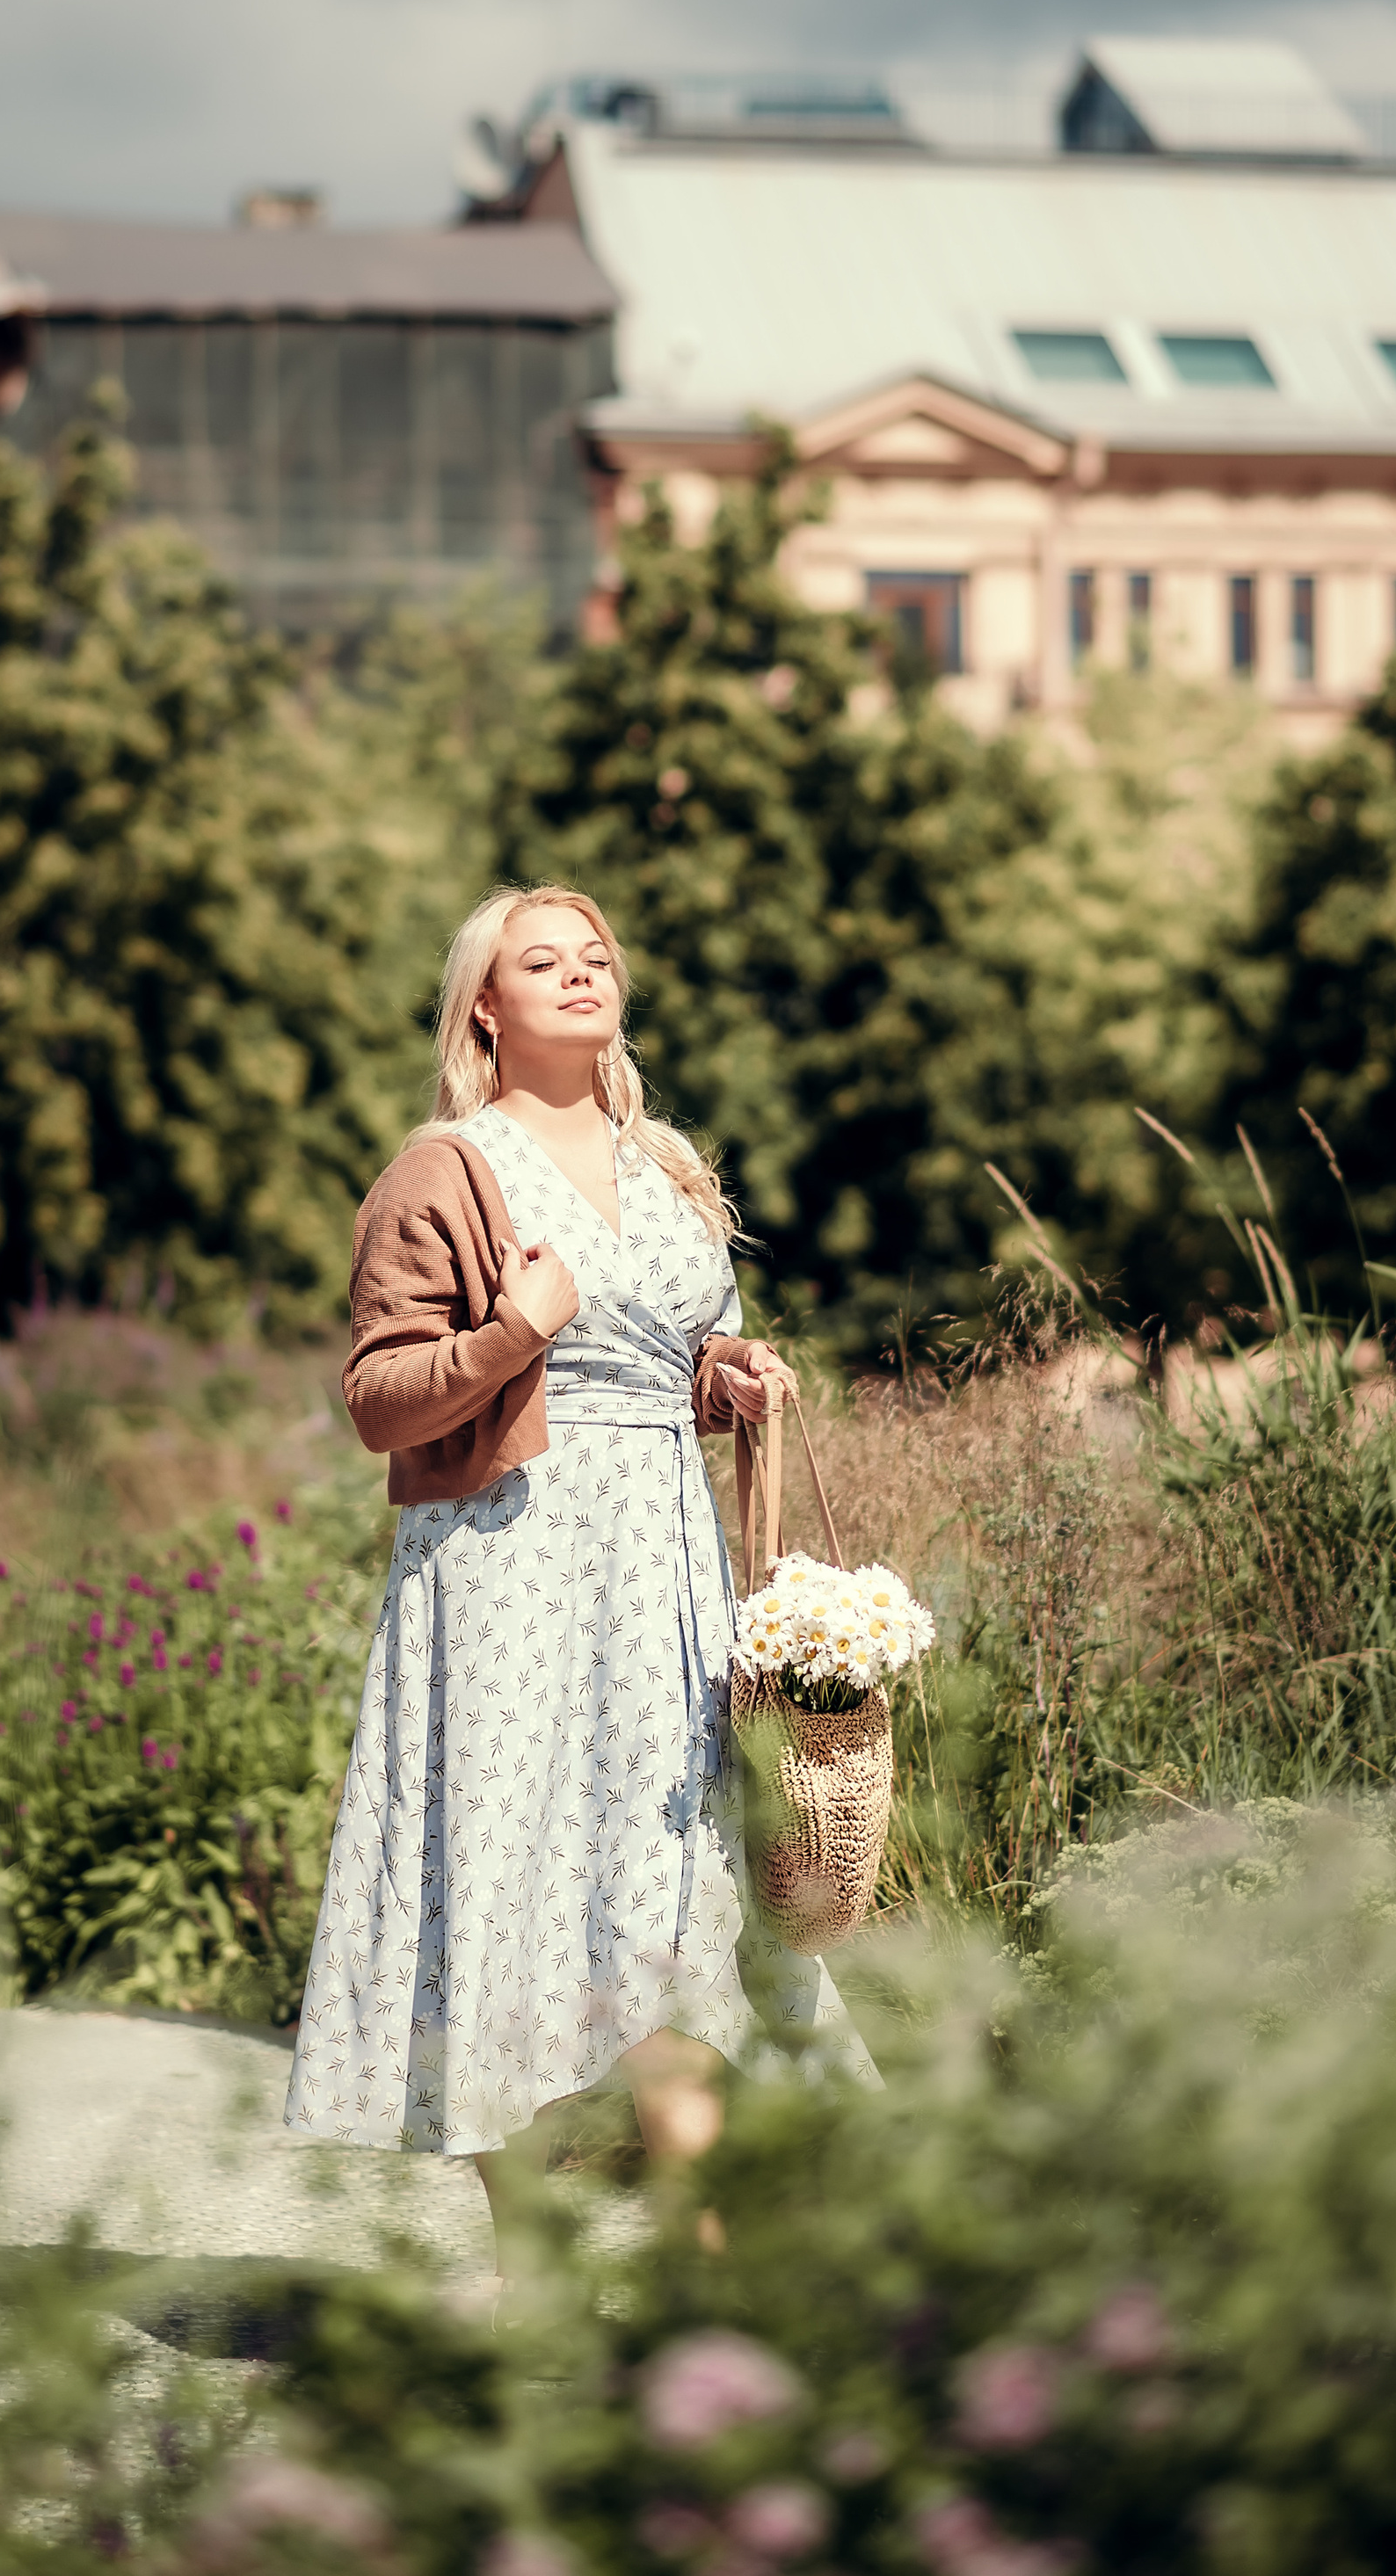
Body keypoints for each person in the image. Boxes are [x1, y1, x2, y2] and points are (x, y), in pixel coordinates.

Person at [282, 883, 875, 2262]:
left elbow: (671, 1359)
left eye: (595, 956)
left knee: (673, 1883)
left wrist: (728, 1376)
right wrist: (512, 1332)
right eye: (540, 960)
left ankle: (697, 2232)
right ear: (483, 1007)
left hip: (663, 1575)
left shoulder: (667, 1167)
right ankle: (531, 2247)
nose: (577, 973)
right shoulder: (446, 1171)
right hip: (506, 1571)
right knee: (508, 1879)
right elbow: (378, 1397)